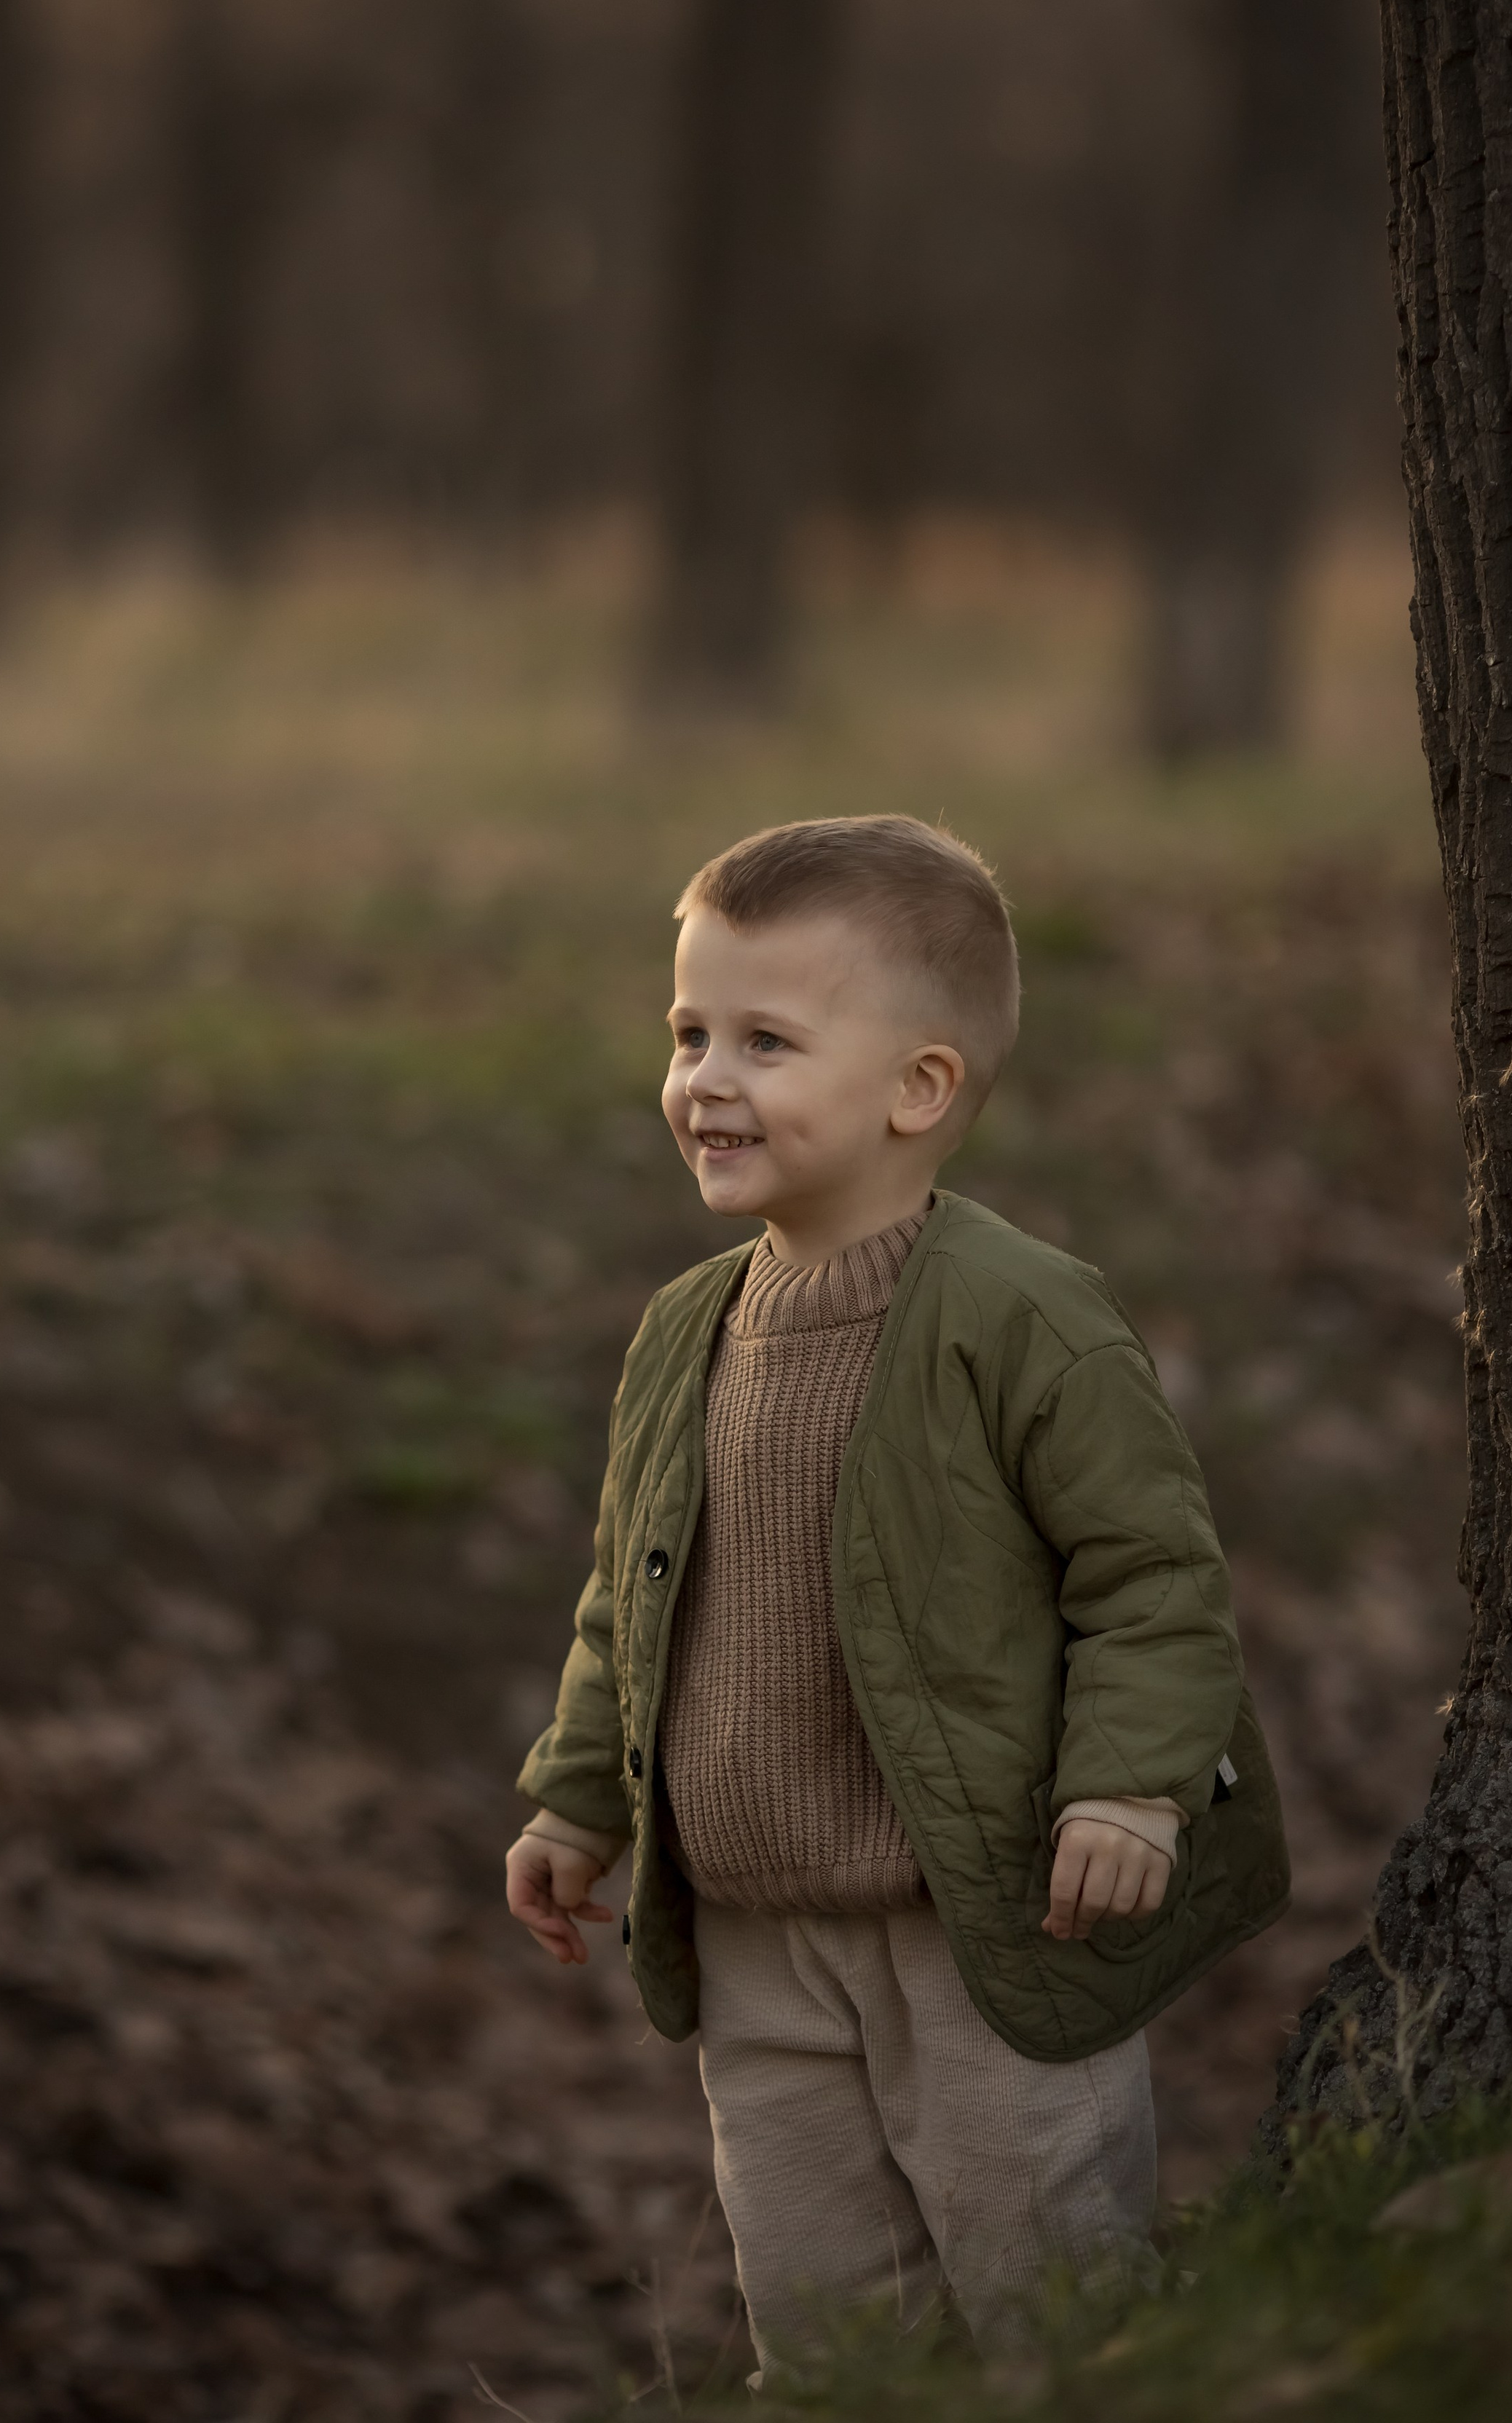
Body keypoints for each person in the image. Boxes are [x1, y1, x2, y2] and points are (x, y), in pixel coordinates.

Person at [504, 813, 1288, 2373]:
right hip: (750, 1935)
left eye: (766, 1041)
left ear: (918, 1088)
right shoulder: (687, 1330)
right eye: (687, 1032)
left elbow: (1148, 1580)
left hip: (984, 1919)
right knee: (828, 2322)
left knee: (1041, 2287)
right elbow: (633, 1599)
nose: (703, 1079)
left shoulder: (1020, 1318)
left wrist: (1129, 1792)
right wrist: (577, 1798)